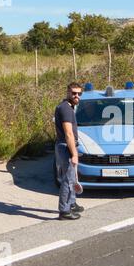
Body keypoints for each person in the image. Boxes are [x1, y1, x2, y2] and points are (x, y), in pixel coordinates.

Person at [54, 83, 85, 221]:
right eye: (73, 93)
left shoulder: (67, 107)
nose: (76, 96)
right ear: (68, 92)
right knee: (67, 180)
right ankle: (64, 211)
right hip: (66, 147)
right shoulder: (66, 109)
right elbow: (68, 134)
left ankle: (71, 204)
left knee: (72, 178)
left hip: (65, 146)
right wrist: (74, 154)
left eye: (79, 93)